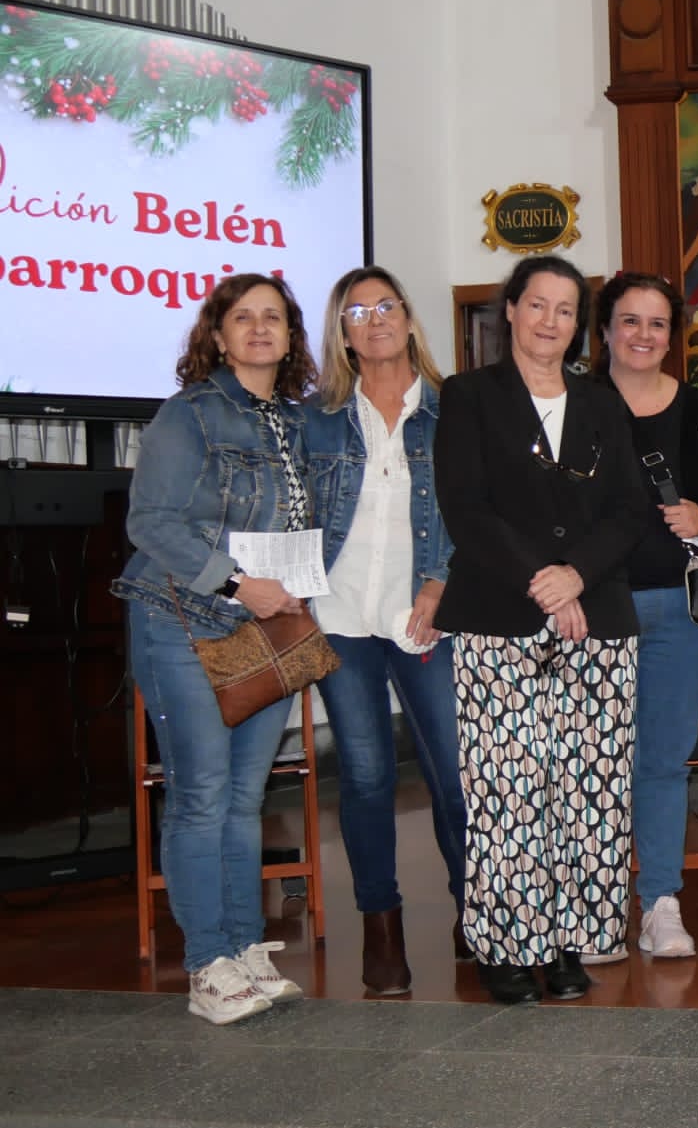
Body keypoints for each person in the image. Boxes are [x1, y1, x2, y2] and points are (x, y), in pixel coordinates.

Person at [434, 255, 647, 1005]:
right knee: (510, 789)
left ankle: (563, 941)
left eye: (566, 309)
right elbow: (467, 509)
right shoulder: (467, 396)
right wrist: (544, 581)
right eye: (537, 305)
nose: (550, 321)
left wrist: (577, 575)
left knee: (588, 793)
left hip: (598, 620)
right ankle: (501, 943)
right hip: (500, 616)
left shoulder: (602, 402)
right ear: (511, 311)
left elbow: (629, 510)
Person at [113, 274, 321, 1023]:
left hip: (264, 630)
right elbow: (152, 522)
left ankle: (241, 948)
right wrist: (239, 585)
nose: (260, 328)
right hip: (182, 619)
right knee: (200, 797)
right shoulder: (190, 413)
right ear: (218, 334)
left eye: (274, 317)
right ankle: (206, 963)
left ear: (293, 336)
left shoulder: (296, 425)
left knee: (242, 798)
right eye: (244, 317)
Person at [303, 266, 464, 996]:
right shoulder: (317, 418)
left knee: (455, 775)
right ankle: (382, 930)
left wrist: (439, 581)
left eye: (385, 305)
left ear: (408, 316)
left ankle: (480, 915)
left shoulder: (452, 409)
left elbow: (473, 508)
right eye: (356, 311)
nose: (374, 320)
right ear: (342, 332)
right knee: (366, 775)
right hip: (341, 620)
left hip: (425, 615)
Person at [597, 272, 698, 962]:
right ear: (604, 330)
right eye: (629, 321)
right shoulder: (572, 405)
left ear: (673, 335)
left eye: (656, 323)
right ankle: (593, 900)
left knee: (662, 761)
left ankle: (660, 899)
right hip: (593, 608)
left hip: (681, 612)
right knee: (593, 761)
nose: (643, 335)